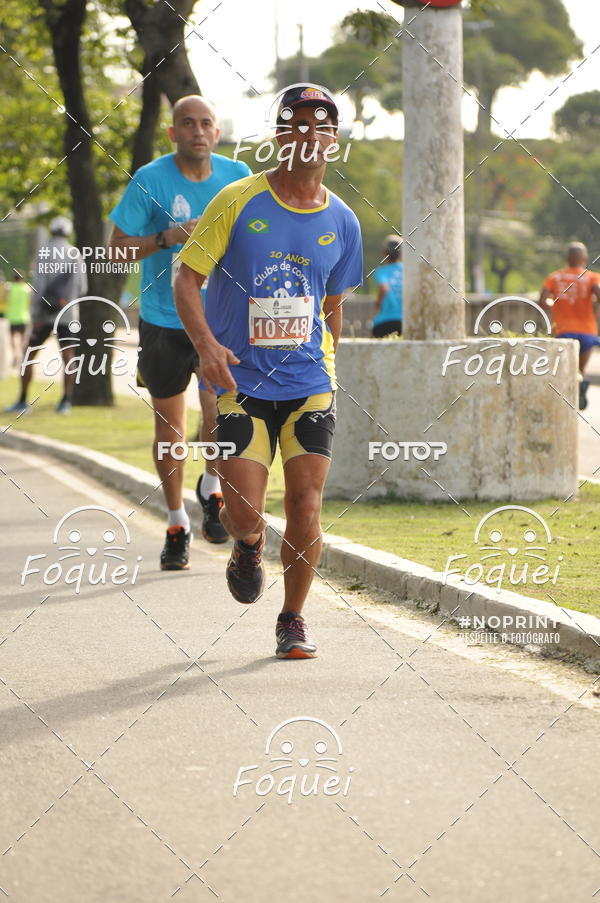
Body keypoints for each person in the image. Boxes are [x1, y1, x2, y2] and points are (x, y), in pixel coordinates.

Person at [175, 85, 363, 659]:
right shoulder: (237, 199)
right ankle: (248, 544)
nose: (308, 136)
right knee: (243, 513)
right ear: (280, 135)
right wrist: (206, 347)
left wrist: (334, 345)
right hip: (241, 382)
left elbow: (333, 301)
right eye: (296, 124)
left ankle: (292, 620)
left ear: (333, 139)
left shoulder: (344, 220)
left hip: (309, 383)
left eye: (320, 126)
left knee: (307, 504)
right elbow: (187, 278)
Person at [108, 95, 251, 571]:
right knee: (169, 428)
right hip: (164, 320)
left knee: (216, 412)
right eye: (186, 123)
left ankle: (210, 486)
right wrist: (169, 237)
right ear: (173, 133)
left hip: (218, 319)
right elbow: (115, 252)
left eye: (205, 123)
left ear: (216, 132)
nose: (196, 130)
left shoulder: (239, 177)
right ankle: (176, 523)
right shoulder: (150, 180)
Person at [5, 216, 86, 416]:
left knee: (28, 356)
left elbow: (39, 286)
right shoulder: (75, 253)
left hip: (44, 316)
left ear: (51, 232)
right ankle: (66, 402)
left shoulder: (44, 252)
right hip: (68, 315)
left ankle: (23, 400)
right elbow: (83, 288)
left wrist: (37, 315)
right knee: (69, 358)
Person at [539, 241, 600, 410]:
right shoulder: (592, 277)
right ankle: (581, 385)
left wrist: (555, 303)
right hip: (587, 331)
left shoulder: (554, 277)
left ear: (567, 258)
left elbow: (542, 302)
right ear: (584, 259)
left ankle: (565, 401)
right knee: (580, 369)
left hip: (563, 331)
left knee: (565, 370)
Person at [372, 235, 403, 337]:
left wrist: (377, 305)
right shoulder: (407, 270)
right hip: (404, 320)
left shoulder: (382, 271)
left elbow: (383, 288)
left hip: (384, 321)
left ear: (384, 253)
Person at [5, 272, 31, 367]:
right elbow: (29, 302)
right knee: (23, 339)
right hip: (24, 317)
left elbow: (5, 299)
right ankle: (22, 355)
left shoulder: (9, 287)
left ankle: (16, 354)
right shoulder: (27, 289)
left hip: (12, 317)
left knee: (13, 339)